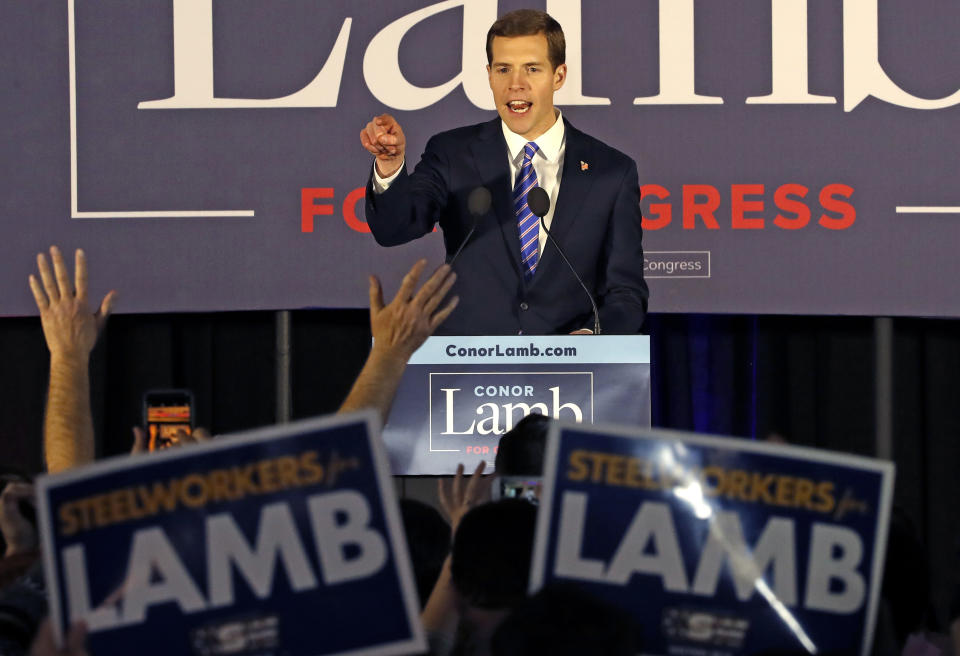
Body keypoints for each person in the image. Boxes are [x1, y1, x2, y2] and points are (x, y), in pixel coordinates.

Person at [361, 9, 648, 336]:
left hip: (569, 373)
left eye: (532, 69)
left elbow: (626, 294)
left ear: (559, 76)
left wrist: (591, 336)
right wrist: (390, 164)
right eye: (503, 69)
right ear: (489, 75)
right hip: (468, 372)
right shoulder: (454, 154)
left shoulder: (611, 172)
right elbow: (393, 229)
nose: (516, 85)